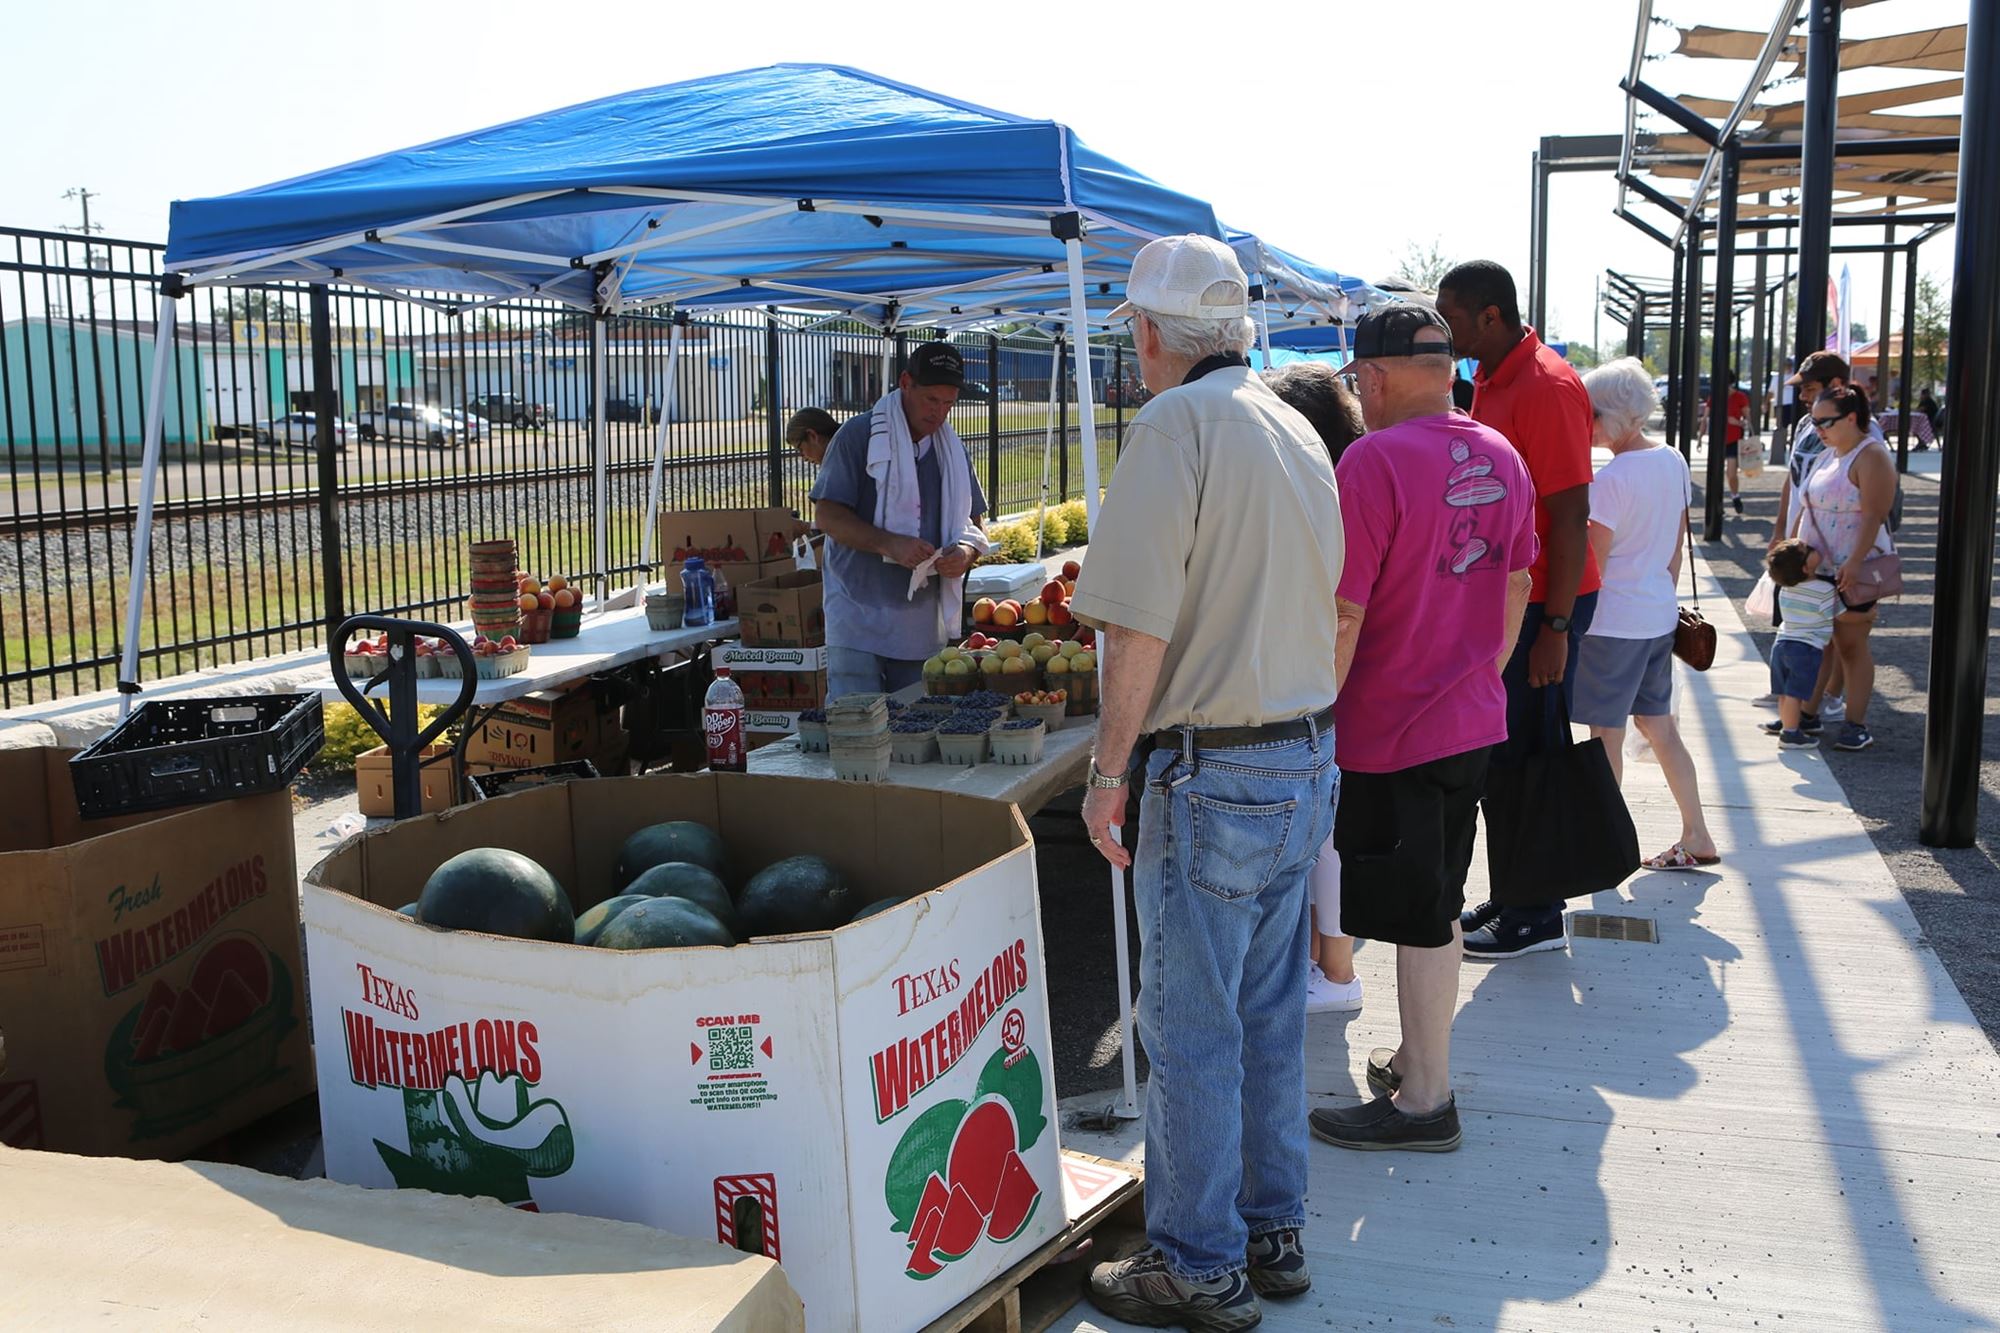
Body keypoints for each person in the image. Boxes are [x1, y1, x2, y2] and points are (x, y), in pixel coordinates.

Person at [1075, 233, 1342, 1329]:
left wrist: (1104, 772)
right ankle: (1266, 1224)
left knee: (1189, 1027)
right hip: (1300, 749)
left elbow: (1136, 626)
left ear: (1148, 334)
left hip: (1210, 767)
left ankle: (1194, 1259)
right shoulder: (1291, 421)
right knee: (1269, 1015)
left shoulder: (1173, 423)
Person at [1304, 302, 1536, 1154]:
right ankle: (1415, 1056)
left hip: (1390, 724)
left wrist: (1315, 713)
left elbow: (1343, 612)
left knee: (1419, 912)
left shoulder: (1371, 461)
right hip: (1469, 716)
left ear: (1376, 374)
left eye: (1361, 380)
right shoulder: (1502, 452)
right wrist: (1477, 672)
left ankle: (1426, 1098)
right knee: (1433, 895)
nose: (1360, 394)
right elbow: (1516, 585)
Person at [1435, 260, 1600, 960]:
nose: (1444, 331)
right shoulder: (1496, 380)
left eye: (1453, 318)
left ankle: (1535, 912)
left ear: (1491, 316)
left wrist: (1555, 629)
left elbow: (1571, 517)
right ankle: (1515, 893)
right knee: (1503, 753)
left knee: (1530, 754)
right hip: (1519, 600)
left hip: (1544, 603)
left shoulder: (1546, 386)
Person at [1573, 359, 1718, 870]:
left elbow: (1593, 565)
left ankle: (1605, 843)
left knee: (1604, 737)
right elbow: (1675, 548)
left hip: (1613, 624)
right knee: (1661, 728)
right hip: (1657, 615)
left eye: (1587, 413)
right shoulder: (1672, 459)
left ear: (1610, 415)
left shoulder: (1611, 479)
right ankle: (1696, 831)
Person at [1265, 361, 1366, 1014]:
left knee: (1325, 838)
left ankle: (1334, 971)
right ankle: (1324, 966)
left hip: (1331, 685)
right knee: (1323, 835)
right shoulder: (1343, 476)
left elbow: (1343, 609)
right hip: (1338, 679)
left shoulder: (1331, 487)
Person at [809, 343, 989, 698]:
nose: (939, 413)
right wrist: (889, 543)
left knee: (917, 736)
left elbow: (976, 525)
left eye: (949, 403)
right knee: (857, 730)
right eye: (931, 400)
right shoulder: (858, 437)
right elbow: (827, 515)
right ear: (905, 382)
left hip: (921, 627)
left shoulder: (951, 449)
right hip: (857, 618)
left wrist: (966, 553)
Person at [1794, 385, 1896, 752]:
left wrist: (1853, 562)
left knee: (1851, 646)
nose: (1818, 428)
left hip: (1854, 567)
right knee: (1817, 643)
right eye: (1816, 421)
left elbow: (1874, 515)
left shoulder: (1871, 456)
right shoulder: (1830, 453)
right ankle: (1805, 713)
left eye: (1825, 421)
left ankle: (1856, 723)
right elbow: (1806, 503)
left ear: (1851, 418)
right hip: (1817, 567)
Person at [1763, 539, 1840, 747]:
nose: (1811, 546)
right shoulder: (1824, 590)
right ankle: (1790, 733)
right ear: (1806, 568)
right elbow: (1839, 614)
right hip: (1806, 647)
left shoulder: (1786, 589)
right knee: (1795, 693)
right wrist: (1866, 615)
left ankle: (1786, 721)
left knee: (1784, 690)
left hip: (1782, 643)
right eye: (1807, 550)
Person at [1704, 369, 1750, 515]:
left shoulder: (1740, 397)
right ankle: (1717, 503)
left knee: (1731, 473)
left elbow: (1748, 421)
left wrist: (1736, 422)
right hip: (1717, 440)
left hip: (1734, 439)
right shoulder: (1714, 397)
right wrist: (1700, 438)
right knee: (1715, 473)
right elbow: (1705, 417)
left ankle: (1735, 496)